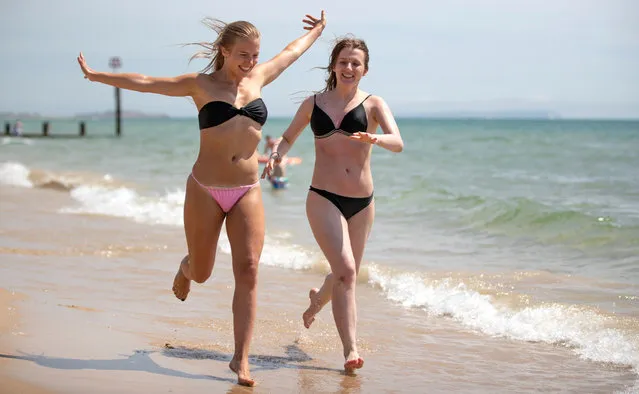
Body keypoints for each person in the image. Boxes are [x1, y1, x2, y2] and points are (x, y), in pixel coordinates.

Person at [77, 11, 327, 386]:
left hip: (247, 189)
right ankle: (187, 266)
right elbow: (146, 82)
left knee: (249, 270)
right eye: (243, 54)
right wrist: (98, 76)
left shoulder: (259, 77)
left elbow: (291, 52)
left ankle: (240, 360)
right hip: (205, 189)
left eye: (255, 54)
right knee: (204, 271)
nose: (251, 61)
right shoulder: (200, 85)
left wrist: (318, 32)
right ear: (224, 51)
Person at [262, 36, 403, 374]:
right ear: (333, 66)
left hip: (362, 203)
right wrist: (276, 154)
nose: (349, 68)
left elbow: (398, 142)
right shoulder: (314, 103)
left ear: (365, 69)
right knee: (347, 272)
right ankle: (351, 350)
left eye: (356, 63)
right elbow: (288, 136)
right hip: (323, 197)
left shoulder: (374, 104)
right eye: (343, 62)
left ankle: (316, 302)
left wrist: (376, 137)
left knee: (342, 274)